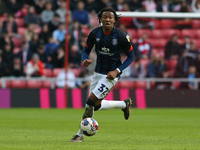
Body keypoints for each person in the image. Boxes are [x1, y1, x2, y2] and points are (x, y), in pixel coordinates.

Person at [70, 7, 135, 142]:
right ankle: (124, 105)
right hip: (98, 72)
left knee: (89, 103)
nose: (107, 19)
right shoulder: (94, 34)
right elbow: (85, 51)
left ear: (114, 20)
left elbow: (131, 57)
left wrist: (117, 71)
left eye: (110, 17)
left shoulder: (121, 36)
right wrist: (85, 60)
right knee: (96, 105)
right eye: (105, 17)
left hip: (111, 75)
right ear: (100, 19)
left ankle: (79, 135)